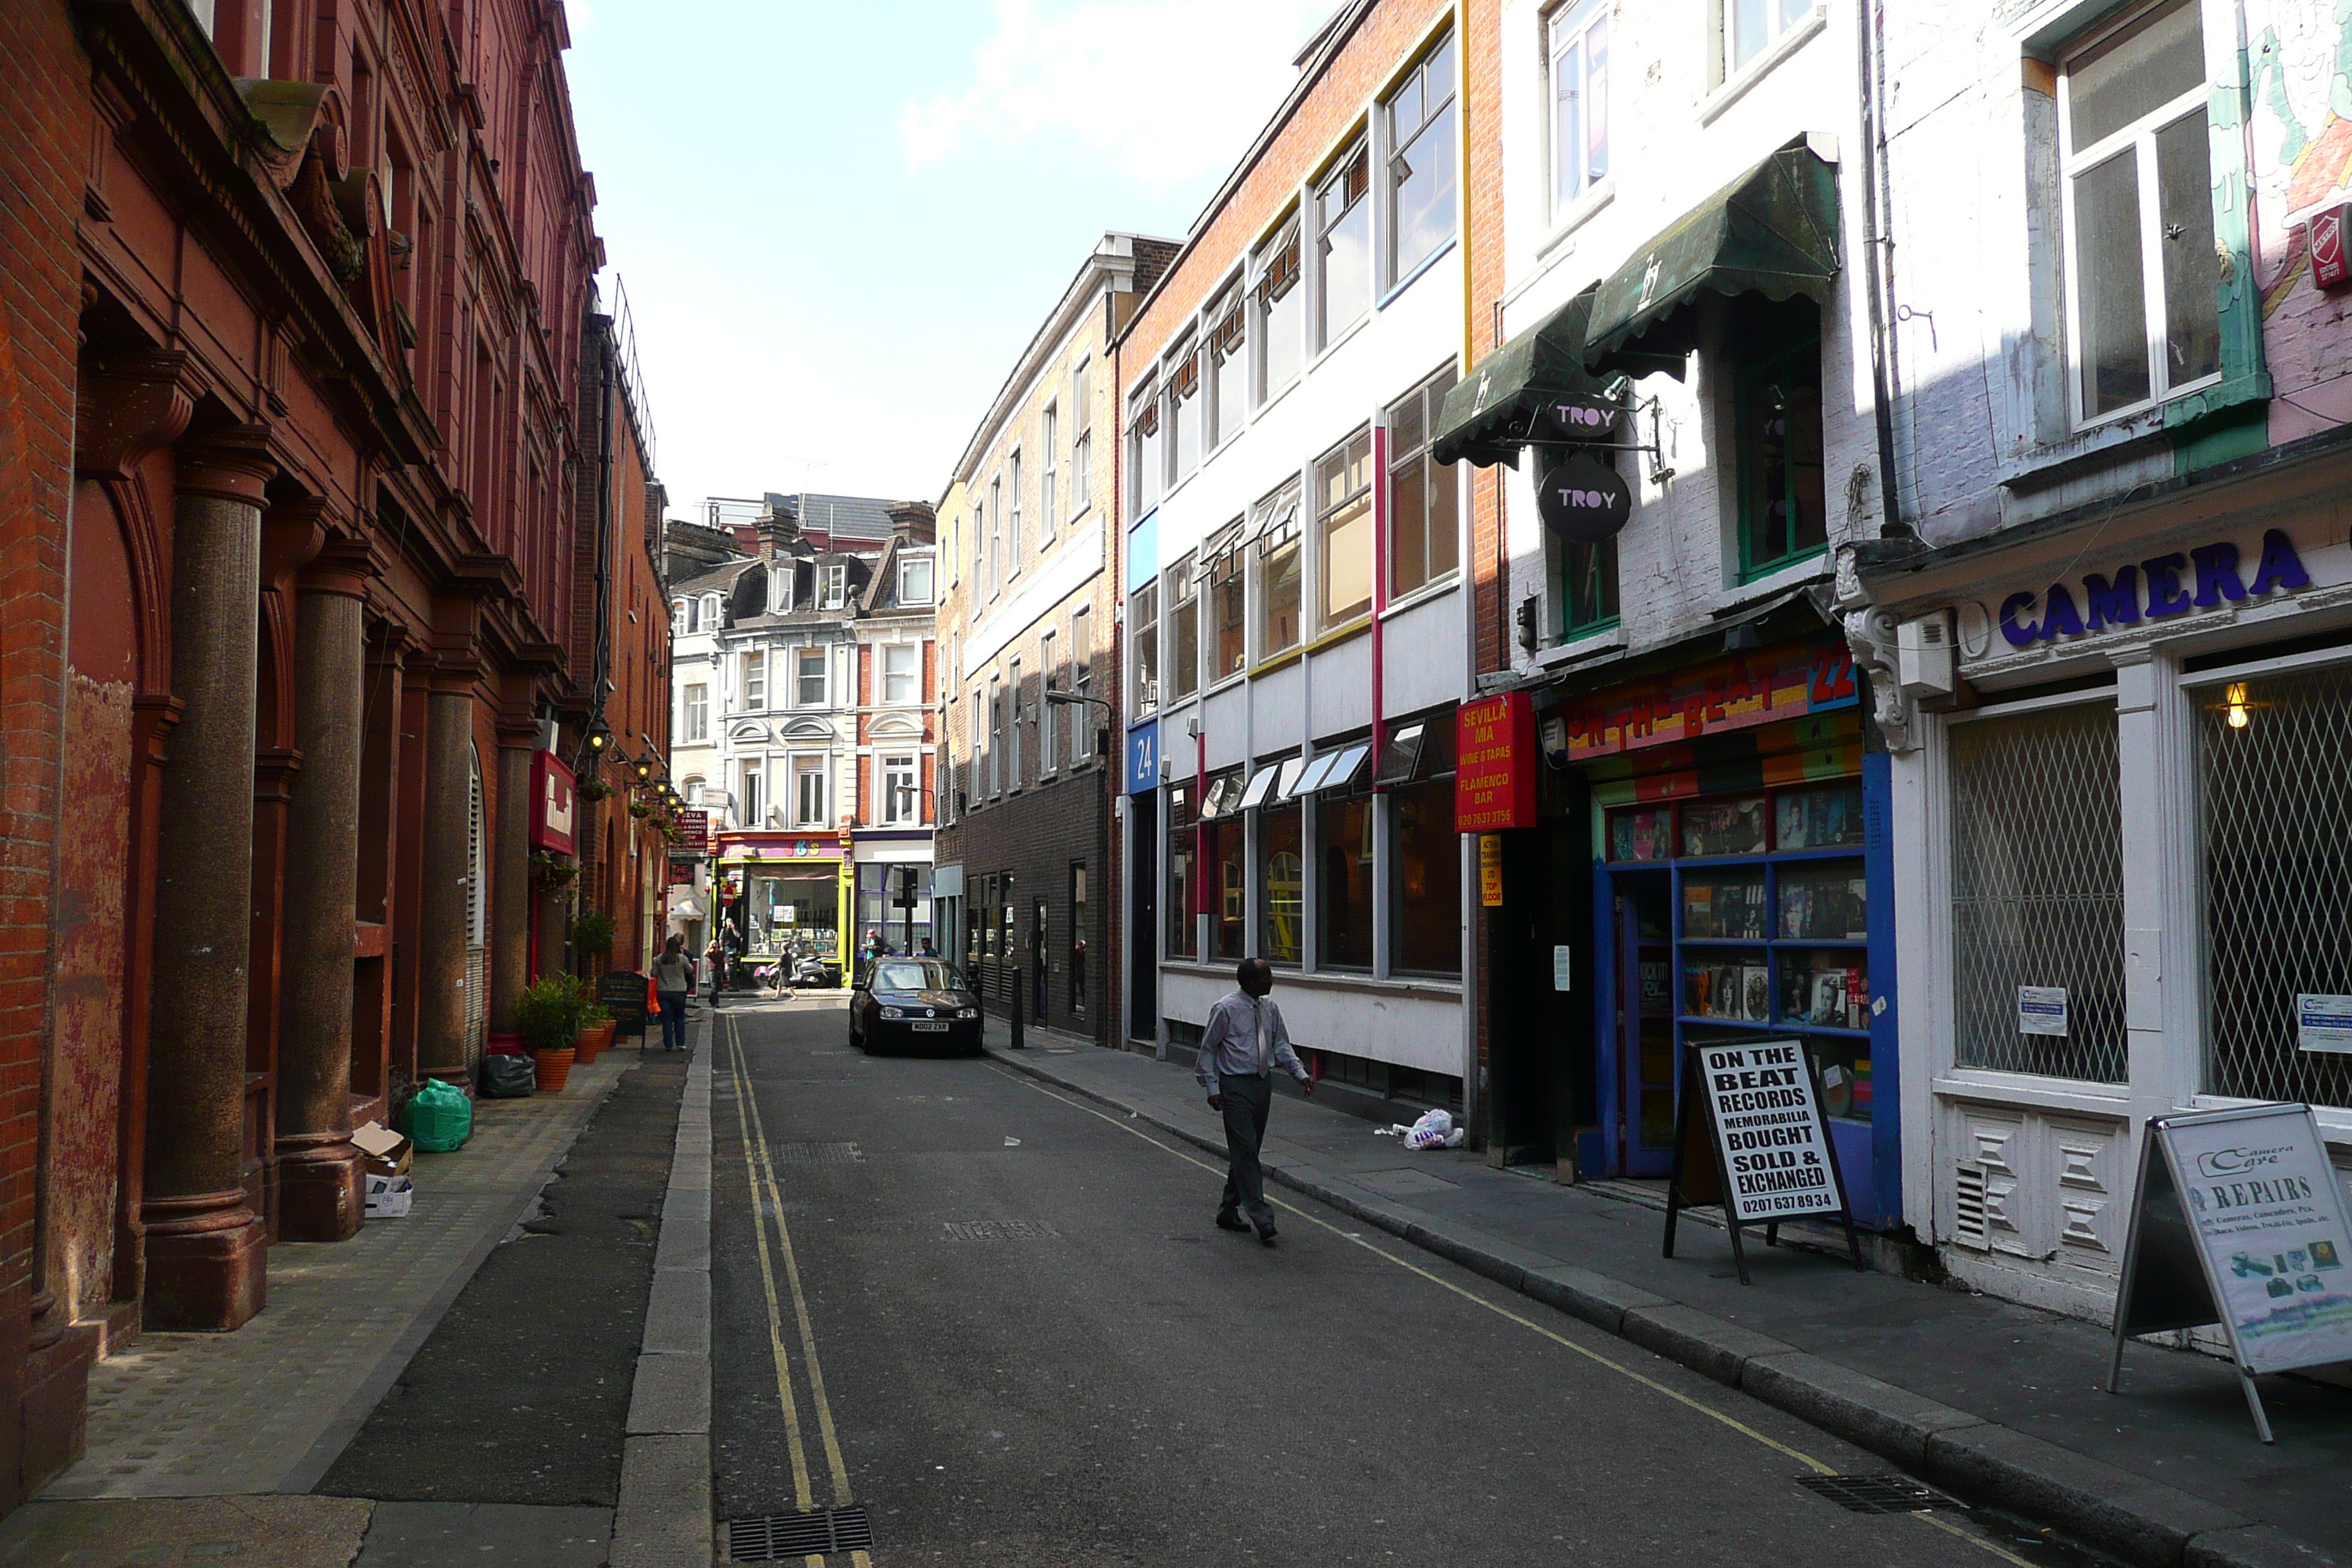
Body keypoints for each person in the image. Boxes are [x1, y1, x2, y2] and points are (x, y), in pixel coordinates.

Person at [1195, 957, 1312, 1243]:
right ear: (1250, 982)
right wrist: (1212, 1087)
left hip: (1262, 1085)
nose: (1272, 981)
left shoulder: (1270, 1008)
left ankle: (1227, 1210)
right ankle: (1262, 1216)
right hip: (1234, 1086)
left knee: (1247, 1150)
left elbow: (1281, 1044)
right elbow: (1208, 1049)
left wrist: (1300, 1074)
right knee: (1246, 1149)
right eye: (1267, 977)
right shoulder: (1226, 1009)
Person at [652, 934, 696, 1052]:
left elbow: (654, 973)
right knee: (679, 1017)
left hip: (663, 992)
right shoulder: (682, 959)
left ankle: (668, 1045)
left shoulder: (658, 959)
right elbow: (690, 970)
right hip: (679, 992)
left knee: (666, 1019)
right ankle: (680, 1043)